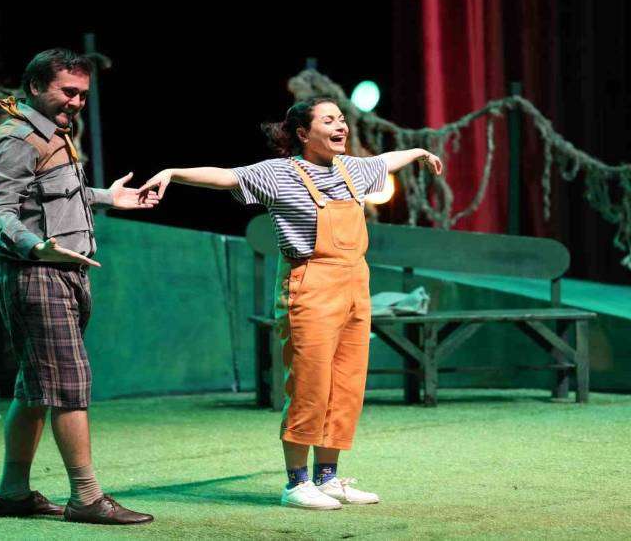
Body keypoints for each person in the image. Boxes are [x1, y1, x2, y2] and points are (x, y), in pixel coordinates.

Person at [138, 97, 443, 510]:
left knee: (346, 385)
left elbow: (386, 160)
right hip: (310, 285)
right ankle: (296, 483)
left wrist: (419, 152)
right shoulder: (279, 173)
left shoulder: (351, 169)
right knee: (309, 385)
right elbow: (226, 177)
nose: (341, 127)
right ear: (303, 133)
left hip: (355, 284)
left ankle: (328, 478)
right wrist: (172, 173)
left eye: (341, 119)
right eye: (329, 121)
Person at [0, 48, 157, 525]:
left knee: (36, 388)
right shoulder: (16, 139)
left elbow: (57, 196)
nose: (77, 102)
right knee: (69, 385)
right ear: (36, 86)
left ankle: (12, 493)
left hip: (66, 273)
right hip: (37, 274)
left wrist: (108, 197)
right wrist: (37, 248)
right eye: (68, 91)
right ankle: (87, 498)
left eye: (82, 94)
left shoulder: (53, 134)